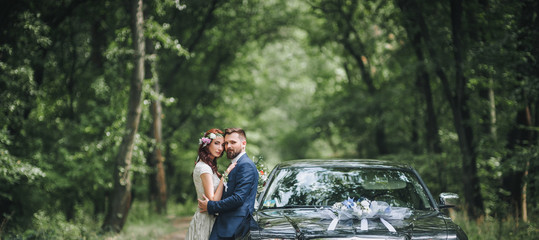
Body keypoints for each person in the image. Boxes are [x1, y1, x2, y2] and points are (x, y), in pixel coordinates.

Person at [198, 128, 259, 239]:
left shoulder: (245, 165)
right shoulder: (236, 164)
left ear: (244, 143)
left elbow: (238, 198)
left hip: (235, 226)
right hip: (226, 224)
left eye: (233, 142)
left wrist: (211, 206)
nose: (228, 146)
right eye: (226, 143)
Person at [186, 128, 237, 240]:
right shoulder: (204, 168)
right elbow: (212, 201)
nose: (220, 148)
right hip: (205, 220)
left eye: (222, 145)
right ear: (207, 144)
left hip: (210, 218)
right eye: (216, 143)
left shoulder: (207, 167)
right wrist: (225, 176)